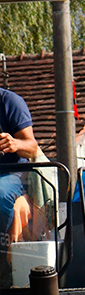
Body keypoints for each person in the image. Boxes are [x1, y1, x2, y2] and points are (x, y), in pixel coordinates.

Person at [0, 87, 39, 251]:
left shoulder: (9, 101)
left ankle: (5, 257)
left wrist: (15, 144)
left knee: (1, 194)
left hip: (11, 173)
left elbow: (32, 147)